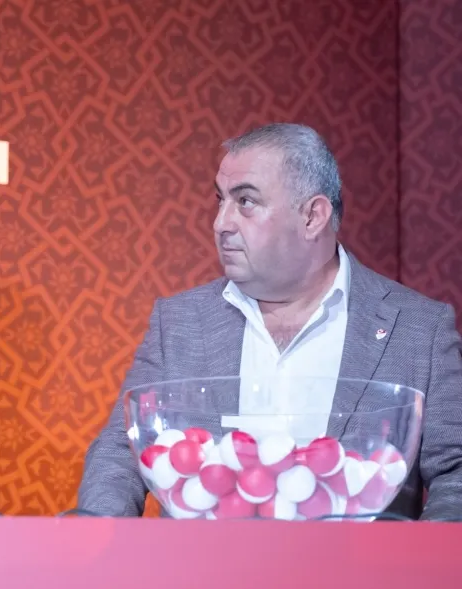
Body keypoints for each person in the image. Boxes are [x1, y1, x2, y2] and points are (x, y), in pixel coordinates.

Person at [78, 123, 462, 520]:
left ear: (312, 216)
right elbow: (120, 453)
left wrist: (427, 553)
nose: (221, 223)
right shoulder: (179, 322)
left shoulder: (420, 329)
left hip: (360, 561)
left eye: (245, 201)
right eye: (220, 200)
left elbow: (456, 472)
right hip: (202, 561)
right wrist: (98, 537)